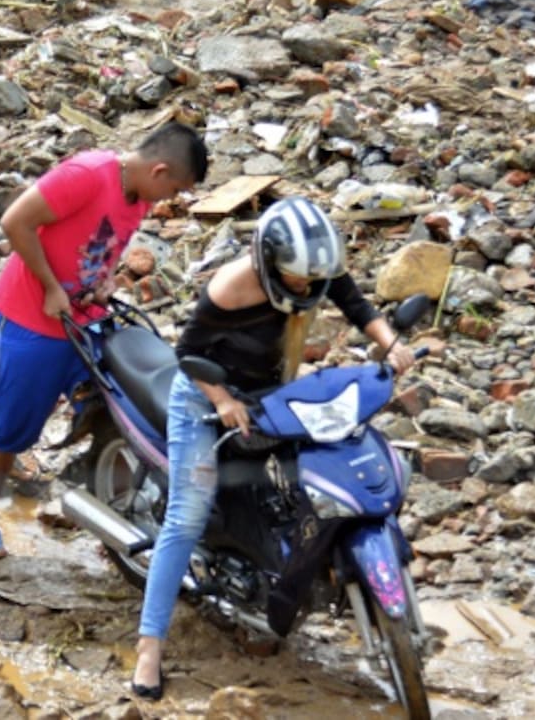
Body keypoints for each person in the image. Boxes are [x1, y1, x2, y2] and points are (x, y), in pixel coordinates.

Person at [130, 196, 416, 701]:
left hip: (273, 392)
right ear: (268, 263)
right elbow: (189, 354)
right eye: (295, 279)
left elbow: (354, 302)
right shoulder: (231, 287)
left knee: (306, 480)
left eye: (312, 279)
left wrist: (389, 342)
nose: (306, 288)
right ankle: (149, 646)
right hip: (203, 398)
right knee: (187, 513)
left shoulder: (316, 270)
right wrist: (220, 400)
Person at [0, 122, 208, 561]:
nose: (172, 200)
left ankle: (121, 512)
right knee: (12, 427)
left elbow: (105, 246)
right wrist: (51, 286)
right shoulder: (88, 174)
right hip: (31, 320)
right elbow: (16, 222)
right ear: (160, 170)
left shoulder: (139, 197)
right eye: (176, 189)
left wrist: (106, 281)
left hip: (86, 318)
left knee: (122, 411)